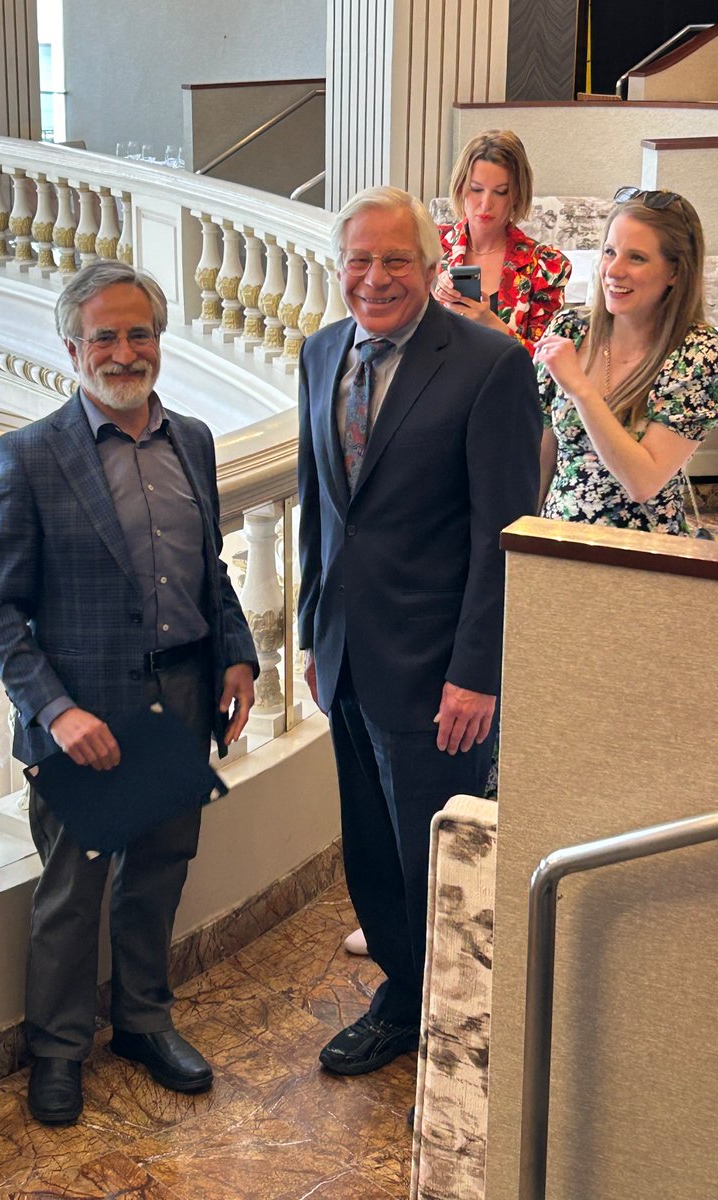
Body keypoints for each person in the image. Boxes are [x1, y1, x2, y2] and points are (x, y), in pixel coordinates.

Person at [0, 260, 257, 1125]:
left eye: (140, 334)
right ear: (72, 347)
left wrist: (237, 655)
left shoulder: (194, 441)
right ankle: (57, 1052)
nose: (125, 352)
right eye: (106, 336)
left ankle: (142, 1022)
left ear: (159, 344)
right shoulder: (28, 456)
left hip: (181, 696)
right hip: (85, 722)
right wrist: (55, 712)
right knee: (72, 891)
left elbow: (206, 569)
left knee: (159, 873)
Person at [298, 186, 541, 1076]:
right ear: (340, 268)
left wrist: (478, 673)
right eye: (359, 260)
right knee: (369, 844)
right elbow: (318, 509)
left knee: (433, 855)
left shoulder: (488, 363)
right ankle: (405, 996)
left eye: (396, 259)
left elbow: (502, 535)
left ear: (432, 265)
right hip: (349, 659)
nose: (376, 277)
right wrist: (311, 639)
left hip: (441, 672)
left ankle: (452, 1027)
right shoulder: (321, 350)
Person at [536, 188, 718, 534]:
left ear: (675, 272)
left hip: (640, 559)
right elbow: (541, 456)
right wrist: (518, 546)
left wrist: (580, 389)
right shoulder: (569, 330)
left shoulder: (698, 355)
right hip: (556, 545)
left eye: (636, 258)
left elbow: (643, 481)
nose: (613, 270)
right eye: (609, 252)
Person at [435, 129, 571, 354]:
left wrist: (489, 321)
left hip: (505, 386)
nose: (486, 204)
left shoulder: (546, 266)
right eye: (476, 189)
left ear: (517, 194)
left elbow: (544, 363)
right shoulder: (431, 247)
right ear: (460, 188)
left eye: (500, 192)